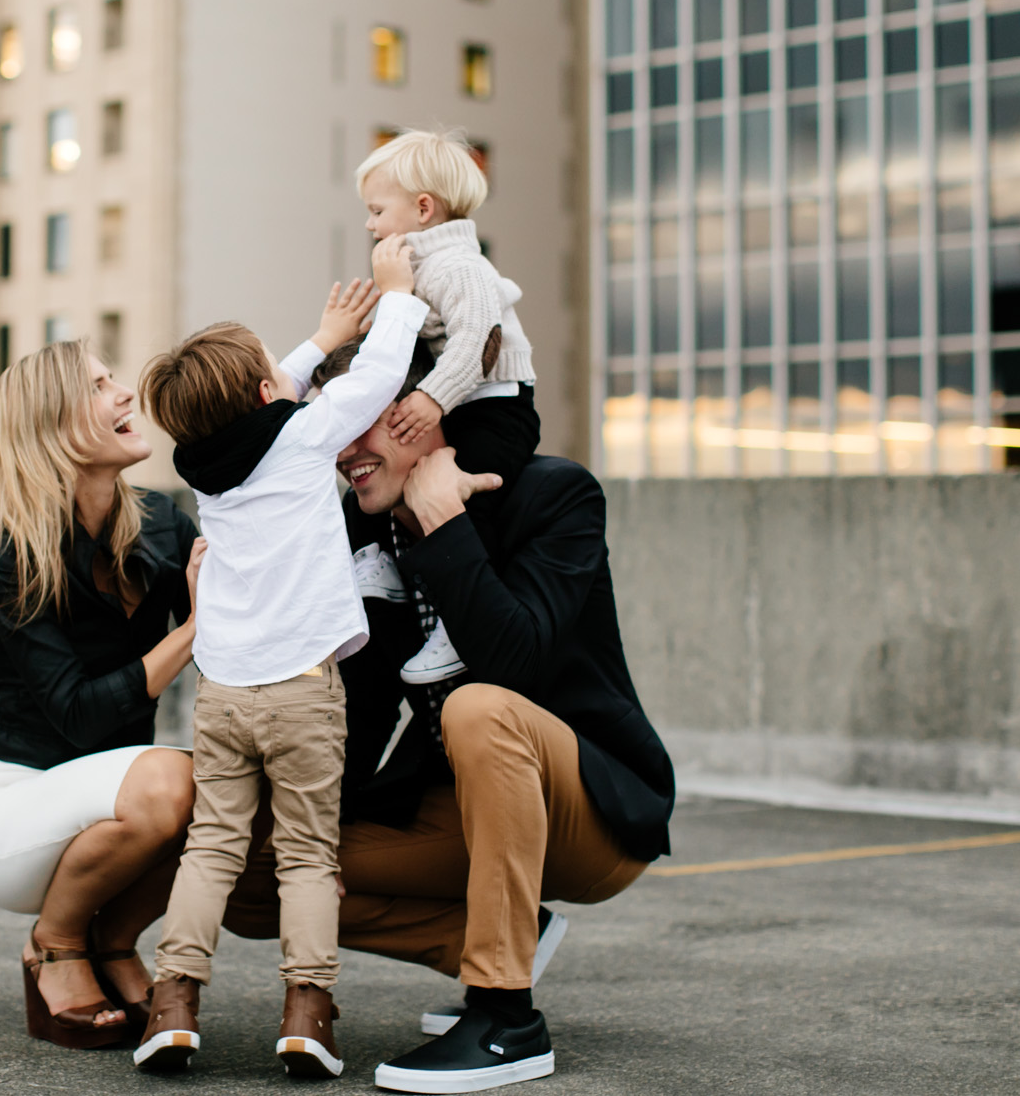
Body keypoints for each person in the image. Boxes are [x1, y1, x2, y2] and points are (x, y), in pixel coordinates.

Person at [223, 342, 677, 1095]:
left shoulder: (553, 496)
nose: (343, 449)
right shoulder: (365, 527)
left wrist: (443, 520)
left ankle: (506, 1018)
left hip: (588, 811)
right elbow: (362, 705)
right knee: (254, 864)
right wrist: (314, 836)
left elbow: (516, 664)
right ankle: (498, 936)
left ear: (425, 413)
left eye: (362, 422)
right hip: (459, 809)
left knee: (478, 707)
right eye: (333, 425)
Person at [127, 239, 425, 1079]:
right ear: (268, 394)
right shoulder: (300, 439)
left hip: (221, 692)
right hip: (301, 689)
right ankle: (307, 1011)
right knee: (304, 854)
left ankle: (174, 1000)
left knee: (213, 846)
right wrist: (394, 296)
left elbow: (255, 400)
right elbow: (375, 377)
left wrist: (314, 339)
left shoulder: (207, 470)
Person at [0, 340, 206, 1050]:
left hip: (113, 805)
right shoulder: (8, 547)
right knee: (169, 778)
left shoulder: (161, 523)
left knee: (236, 784)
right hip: (9, 812)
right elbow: (79, 711)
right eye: (99, 385)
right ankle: (56, 943)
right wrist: (195, 628)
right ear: (53, 427)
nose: (125, 392)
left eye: (114, 377)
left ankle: (115, 941)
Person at [355, 128, 541, 688]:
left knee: (464, 495)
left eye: (376, 210)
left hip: (496, 406)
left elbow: (479, 337)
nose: (370, 224)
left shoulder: (459, 265)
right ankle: (378, 562)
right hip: (459, 403)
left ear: (422, 209)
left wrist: (434, 397)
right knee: (374, 475)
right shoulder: (415, 270)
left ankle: (456, 625)